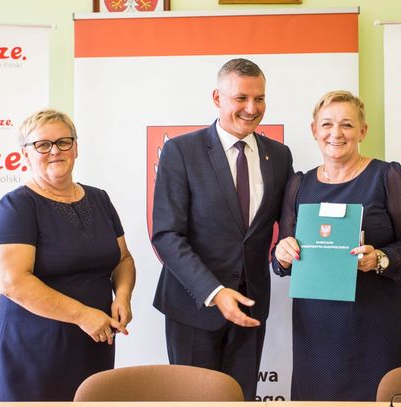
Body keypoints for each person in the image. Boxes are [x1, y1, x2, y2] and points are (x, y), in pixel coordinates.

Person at [152, 58, 293, 400]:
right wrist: (215, 292)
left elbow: (286, 226)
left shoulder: (280, 156)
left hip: (250, 307)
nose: (252, 108)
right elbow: (167, 235)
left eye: (259, 98)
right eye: (241, 98)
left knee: (240, 399)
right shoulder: (180, 151)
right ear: (217, 98)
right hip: (193, 307)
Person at [273, 90, 401, 401]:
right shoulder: (299, 184)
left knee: (380, 397)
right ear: (314, 130)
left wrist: (380, 258)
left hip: (376, 323)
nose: (336, 133)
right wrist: (282, 254)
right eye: (327, 124)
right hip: (316, 327)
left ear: (363, 131)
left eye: (347, 124)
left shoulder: (386, 175)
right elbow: (282, 258)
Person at [0, 109, 136, 401]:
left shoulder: (99, 198)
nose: (55, 151)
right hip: (36, 348)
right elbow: (12, 282)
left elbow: (123, 259)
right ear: (25, 155)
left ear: (75, 148)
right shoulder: (17, 206)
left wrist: (123, 296)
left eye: (63, 142)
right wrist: (82, 315)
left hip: (95, 339)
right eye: (43, 145)